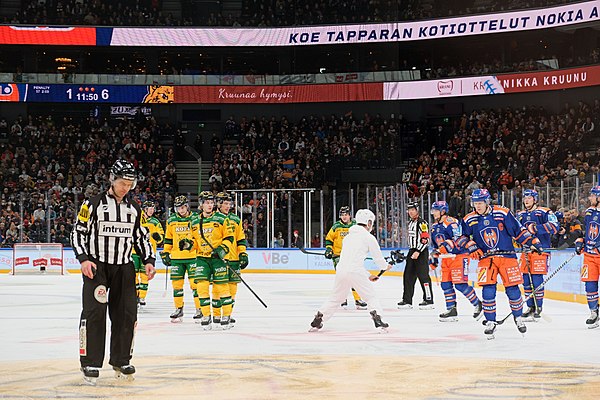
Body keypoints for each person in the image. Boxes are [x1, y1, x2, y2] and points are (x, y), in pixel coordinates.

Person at [71, 159, 156, 385]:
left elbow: (142, 237)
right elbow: (78, 234)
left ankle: (121, 359)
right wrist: (84, 259)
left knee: (127, 314)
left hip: (124, 267)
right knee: (95, 313)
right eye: (122, 182)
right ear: (112, 179)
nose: (126, 187)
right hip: (97, 267)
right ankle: (89, 362)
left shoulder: (135, 209)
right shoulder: (93, 204)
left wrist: (148, 260)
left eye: (130, 183)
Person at [456, 188, 542, 339]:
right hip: (485, 260)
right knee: (488, 290)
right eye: (475, 203)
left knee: (512, 288)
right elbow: (460, 237)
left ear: (487, 201)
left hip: (506, 257)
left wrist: (533, 241)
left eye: (480, 202)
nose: (478, 206)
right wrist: (471, 246)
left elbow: (518, 231)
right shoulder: (469, 218)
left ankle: (518, 317)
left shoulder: (502, 212)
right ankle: (490, 321)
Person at [309, 209, 392, 332]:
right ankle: (378, 318)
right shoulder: (368, 237)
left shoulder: (348, 237)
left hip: (341, 270)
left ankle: (319, 318)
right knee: (370, 297)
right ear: (368, 223)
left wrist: (368, 275)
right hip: (355, 271)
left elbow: (349, 261)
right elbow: (378, 260)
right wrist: (386, 266)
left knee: (336, 298)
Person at [186, 191, 234, 329]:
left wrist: (222, 249)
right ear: (201, 204)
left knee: (221, 287)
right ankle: (206, 315)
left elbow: (229, 237)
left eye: (212, 202)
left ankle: (226, 315)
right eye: (207, 202)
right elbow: (193, 240)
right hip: (202, 258)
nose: (210, 205)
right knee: (201, 287)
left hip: (218, 259)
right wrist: (188, 245)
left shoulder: (221, 218)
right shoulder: (194, 221)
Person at [429, 201, 482, 322]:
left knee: (460, 284)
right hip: (446, 259)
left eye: (436, 210)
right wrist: (434, 258)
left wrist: (447, 246)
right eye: (433, 211)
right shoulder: (434, 227)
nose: (434, 213)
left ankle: (478, 304)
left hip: (459, 256)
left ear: (443, 211)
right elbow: (436, 246)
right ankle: (451, 310)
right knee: (445, 284)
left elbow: (459, 239)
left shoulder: (452, 223)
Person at [516, 189, 558, 321]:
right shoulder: (520, 215)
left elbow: (555, 226)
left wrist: (536, 228)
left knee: (537, 279)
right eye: (525, 198)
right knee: (526, 281)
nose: (526, 200)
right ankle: (530, 307)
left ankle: (539, 307)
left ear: (535, 199)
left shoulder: (545, 212)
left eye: (529, 197)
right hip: (525, 252)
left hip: (540, 251)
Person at [161, 195, 201, 323]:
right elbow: (168, 238)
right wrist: (166, 252)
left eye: (183, 207)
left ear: (187, 206)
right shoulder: (172, 220)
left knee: (196, 285)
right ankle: (179, 308)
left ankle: (199, 309)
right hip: (177, 258)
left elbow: (200, 237)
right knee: (177, 285)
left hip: (193, 256)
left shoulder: (195, 218)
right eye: (179, 207)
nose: (181, 210)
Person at [325, 206, 367, 309]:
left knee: (354, 278)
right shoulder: (336, 226)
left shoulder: (355, 225)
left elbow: (361, 238)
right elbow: (329, 239)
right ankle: (342, 299)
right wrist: (329, 250)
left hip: (352, 256)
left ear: (349, 215)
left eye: (346, 214)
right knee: (342, 277)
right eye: (342, 215)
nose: (344, 217)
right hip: (338, 256)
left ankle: (357, 299)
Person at [216, 192, 248, 325]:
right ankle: (217, 315)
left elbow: (240, 238)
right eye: (225, 203)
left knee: (232, 287)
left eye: (229, 204)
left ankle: (227, 313)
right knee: (218, 287)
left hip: (234, 258)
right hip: (219, 258)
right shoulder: (213, 219)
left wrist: (243, 253)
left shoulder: (235, 219)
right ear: (219, 204)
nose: (228, 206)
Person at [398, 201, 433, 309]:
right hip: (412, 251)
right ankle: (407, 300)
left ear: (417, 210)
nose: (410, 212)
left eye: (413, 210)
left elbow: (425, 238)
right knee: (408, 276)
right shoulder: (410, 223)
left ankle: (428, 300)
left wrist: (418, 251)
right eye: (409, 210)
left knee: (423, 276)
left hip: (421, 252)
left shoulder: (422, 223)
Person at [574, 186, 600, 329]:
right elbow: (585, 231)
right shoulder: (589, 212)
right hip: (589, 255)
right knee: (589, 284)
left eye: (593, 195)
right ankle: (594, 312)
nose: (590, 198)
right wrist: (580, 241)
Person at [134, 200, 164, 308]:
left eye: (152, 209)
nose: (151, 211)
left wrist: (158, 237)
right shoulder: (137, 218)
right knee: (134, 276)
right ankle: (135, 296)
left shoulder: (155, 222)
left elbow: (161, 237)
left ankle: (142, 297)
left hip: (148, 253)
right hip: (134, 251)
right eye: (149, 209)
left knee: (145, 276)